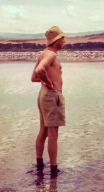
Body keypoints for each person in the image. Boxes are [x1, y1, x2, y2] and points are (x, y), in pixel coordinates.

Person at [31, 26, 66, 179]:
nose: (65, 41)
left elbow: (33, 78)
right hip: (52, 96)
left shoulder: (43, 54)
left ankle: (39, 165)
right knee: (53, 134)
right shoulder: (51, 55)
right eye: (63, 38)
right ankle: (53, 169)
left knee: (43, 131)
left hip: (43, 95)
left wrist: (45, 80)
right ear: (57, 40)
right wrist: (50, 82)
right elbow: (39, 71)